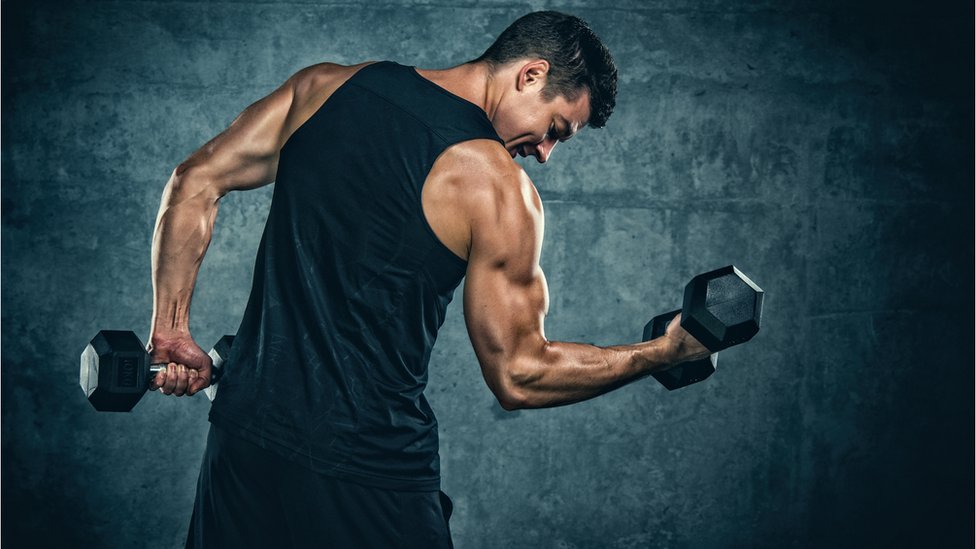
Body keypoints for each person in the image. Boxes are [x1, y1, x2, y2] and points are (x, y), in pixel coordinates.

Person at [147, 10, 710, 549]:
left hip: (242, 442)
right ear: (530, 74)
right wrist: (661, 352)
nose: (545, 154)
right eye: (555, 128)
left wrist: (170, 330)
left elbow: (194, 180)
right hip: (365, 467)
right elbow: (520, 374)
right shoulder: (494, 185)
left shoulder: (325, 88)